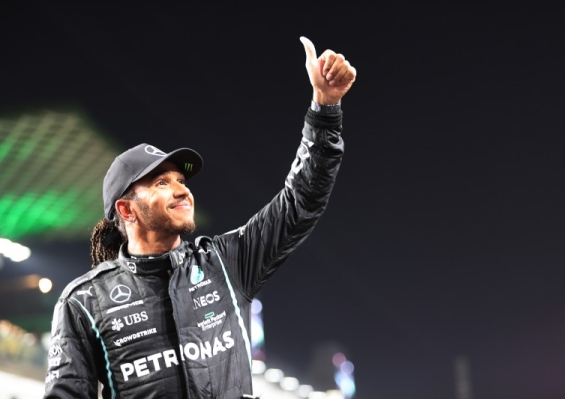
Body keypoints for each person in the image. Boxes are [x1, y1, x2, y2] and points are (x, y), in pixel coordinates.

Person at [43, 36, 356, 399]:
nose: (182, 190)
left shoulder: (226, 263)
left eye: (181, 180)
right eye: (161, 182)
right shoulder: (83, 301)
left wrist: (325, 109)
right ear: (126, 210)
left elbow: (301, 200)